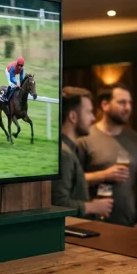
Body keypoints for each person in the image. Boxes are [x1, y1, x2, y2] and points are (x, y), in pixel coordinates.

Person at [77, 83, 137, 228]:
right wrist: (104, 175)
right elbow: (74, 182)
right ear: (105, 105)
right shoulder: (85, 138)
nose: (128, 107)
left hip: (129, 225)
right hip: (93, 224)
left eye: (130, 103)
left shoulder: (136, 139)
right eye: (122, 102)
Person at [52, 87, 113, 219]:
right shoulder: (63, 153)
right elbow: (58, 203)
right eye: (89, 112)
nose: (93, 118)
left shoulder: (69, 149)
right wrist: (92, 207)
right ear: (73, 116)